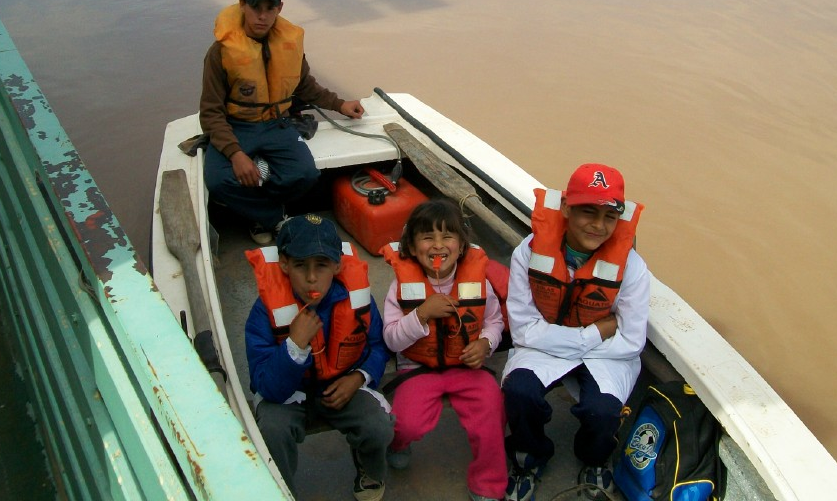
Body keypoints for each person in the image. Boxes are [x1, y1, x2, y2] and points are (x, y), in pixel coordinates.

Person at [501, 164, 649, 501]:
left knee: (604, 411)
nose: (598, 225)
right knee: (519, 393)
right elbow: (523, 329)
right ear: (566, 208)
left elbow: (631, 341)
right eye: (588, 212)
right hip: (579, 344)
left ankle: (594, 459)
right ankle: (530, 457)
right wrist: (593, 335)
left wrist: (564, 340)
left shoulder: (633, 269)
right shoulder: (528, 252)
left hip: (604, 356)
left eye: (609, 216)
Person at [200, 0, 365, 244]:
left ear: (280, 8)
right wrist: (236, 153)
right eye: (255, 8)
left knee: (306, 174)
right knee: (218, 181)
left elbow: (305, 86)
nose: (262, 17)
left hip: (277, 123)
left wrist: (339, 104)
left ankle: (255, 211)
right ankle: (272, 217)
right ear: (242, 5)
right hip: (236, 125)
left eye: (270, 9)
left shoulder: (288, 45)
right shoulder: (219, 53)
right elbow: (210, 112)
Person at [244, 214, 393, 501]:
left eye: (322, 265)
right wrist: (294, 345)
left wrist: (358, 377)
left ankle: (370, 471)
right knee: (272, 431)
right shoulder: (264, 311)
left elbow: (378, 346)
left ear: (337, 266)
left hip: (341, 386)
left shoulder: (357, 299)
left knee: (378, 425)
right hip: (288, 394)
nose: (312, 277)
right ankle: (281, 490)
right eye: (300, 265)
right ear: (285, 265)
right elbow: (264, 383)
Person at [381, 198, 508, 501]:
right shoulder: (399, 287)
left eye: (447, 236)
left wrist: (485, 343)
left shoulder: (480, 281)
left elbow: (495, 321)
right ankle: (397, 444)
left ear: (462, 246)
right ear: (411, 247)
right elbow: (391, 340)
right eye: (427, 237)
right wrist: (421, 315)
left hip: (467, 368)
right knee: (404, 424)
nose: (438, 246)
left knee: (492, 412)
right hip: (418, 370)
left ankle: (488, 483)